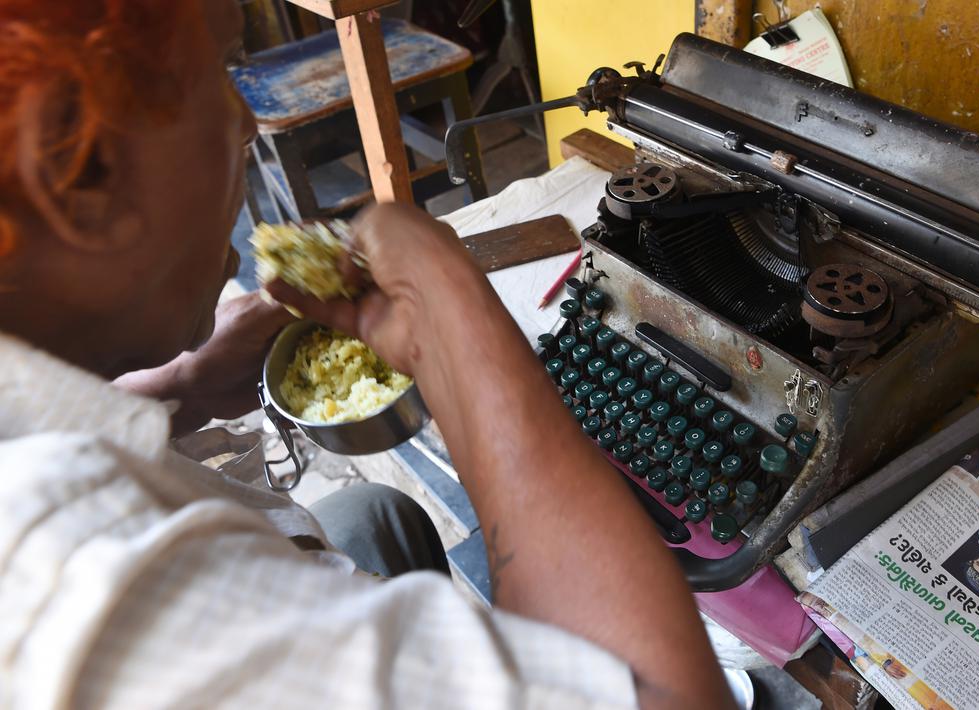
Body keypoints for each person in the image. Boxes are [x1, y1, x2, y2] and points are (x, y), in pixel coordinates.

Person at [0, 2, 732, 708]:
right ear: (79, 170)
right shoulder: (76, 581)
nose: (247, 125)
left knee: (377, 511)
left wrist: (181, 391)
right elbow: (661, 696)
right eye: (221, 71)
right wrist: (452, 314)